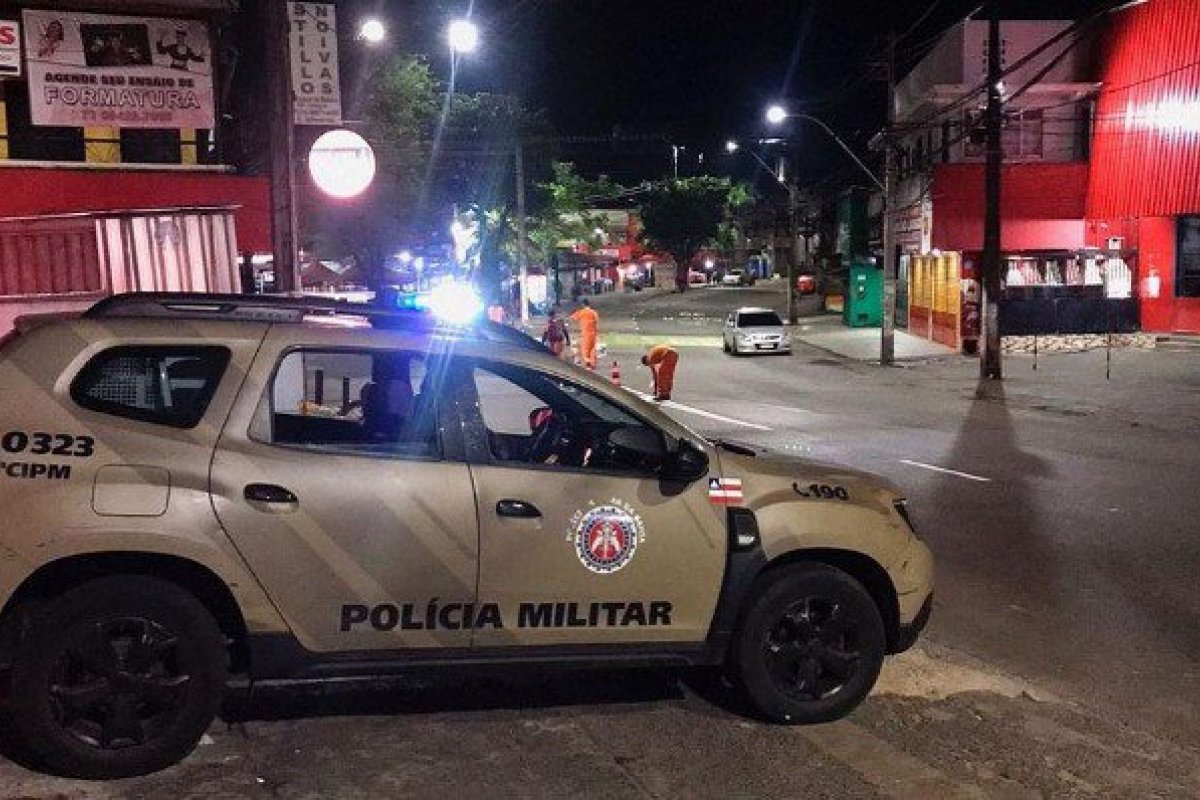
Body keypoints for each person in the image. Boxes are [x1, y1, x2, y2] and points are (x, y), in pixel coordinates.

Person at [570, 298, 600, 370]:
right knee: (593, 349)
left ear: (583, 304)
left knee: (585, 349)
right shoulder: (594, 312)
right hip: (594, 333)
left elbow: (572, 318)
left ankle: (588, 364)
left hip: (586, 333)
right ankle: (593, 364)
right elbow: (596, 322)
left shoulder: (581, 312)